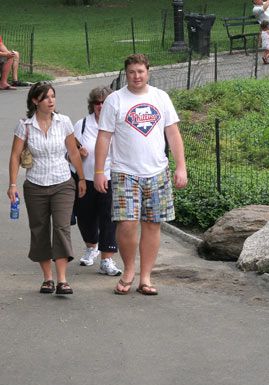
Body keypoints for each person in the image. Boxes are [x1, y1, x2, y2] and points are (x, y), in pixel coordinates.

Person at [94, 53, 187, 296]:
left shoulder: (160, 97)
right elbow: (104, 137)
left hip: (157, 171)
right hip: (125, 172)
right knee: (126, 224)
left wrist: (181, 167)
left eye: (141, 71)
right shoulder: (115, 100)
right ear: (127, 74)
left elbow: (173, 133)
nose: (137, 76)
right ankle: (129, 270)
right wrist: (99, 171)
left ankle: (146, 277)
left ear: (148, 72)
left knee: (152, 225)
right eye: (132, 72)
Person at [7, 82, 87, 295]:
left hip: (62, 183)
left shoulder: (64, 122)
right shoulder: (24, 125)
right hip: (35, 185)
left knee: (62, 228)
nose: (51, 101)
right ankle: (47, 278)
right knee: (40, 229)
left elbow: (73, 152)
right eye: (46, 97)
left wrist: (81, 178)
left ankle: (62, 279)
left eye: (53, 96)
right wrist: (12, 185)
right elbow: (15, 156)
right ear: (35, 101)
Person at [70, 86, 122, 276]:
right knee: (85, 218)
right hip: (85, 180)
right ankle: (92, 246)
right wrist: (77, 152)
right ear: (92, 105)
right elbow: (70, 148)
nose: (101, 106)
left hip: (110, 178)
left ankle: (107, 260)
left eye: (104, 102)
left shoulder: (118, 124)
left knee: (109, 219)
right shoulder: (82, 124)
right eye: (97, 103)